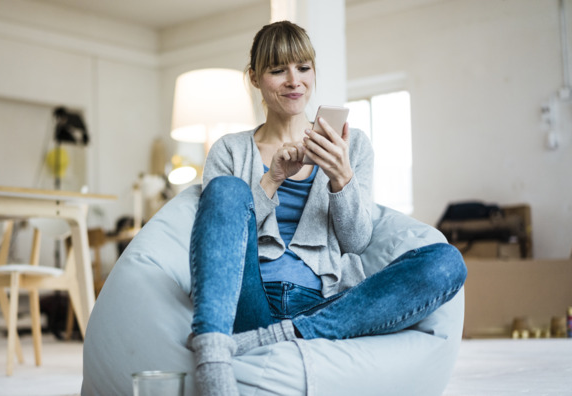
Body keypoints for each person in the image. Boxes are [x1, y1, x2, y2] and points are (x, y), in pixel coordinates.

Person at [187, 21, 467, 396]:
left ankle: (280, 336)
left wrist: (341, 178)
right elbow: (222, 240)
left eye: (303, 67)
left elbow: (355, 242)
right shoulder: (229, 150)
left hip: (323, 304)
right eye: (277, 70)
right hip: (247, 299)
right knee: (224, 189)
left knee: (447, 262)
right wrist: (271, 180)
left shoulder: (354, 146)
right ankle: (212, 351)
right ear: (254, 78)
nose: (294, 81)